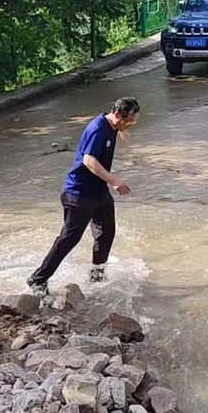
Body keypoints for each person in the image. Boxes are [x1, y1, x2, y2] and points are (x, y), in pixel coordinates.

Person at [27, 97, 140, 297]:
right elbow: (89, 161)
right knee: (69, 239)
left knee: (106, 233)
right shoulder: (98, 128)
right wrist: (114, 181)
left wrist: (123, 130)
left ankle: (97, 276)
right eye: (130, 120)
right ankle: (38, 279)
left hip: (98, 192)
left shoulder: (111, 126)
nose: (132, 123)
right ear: (117, 114)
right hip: (78, 193)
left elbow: (114, 132)